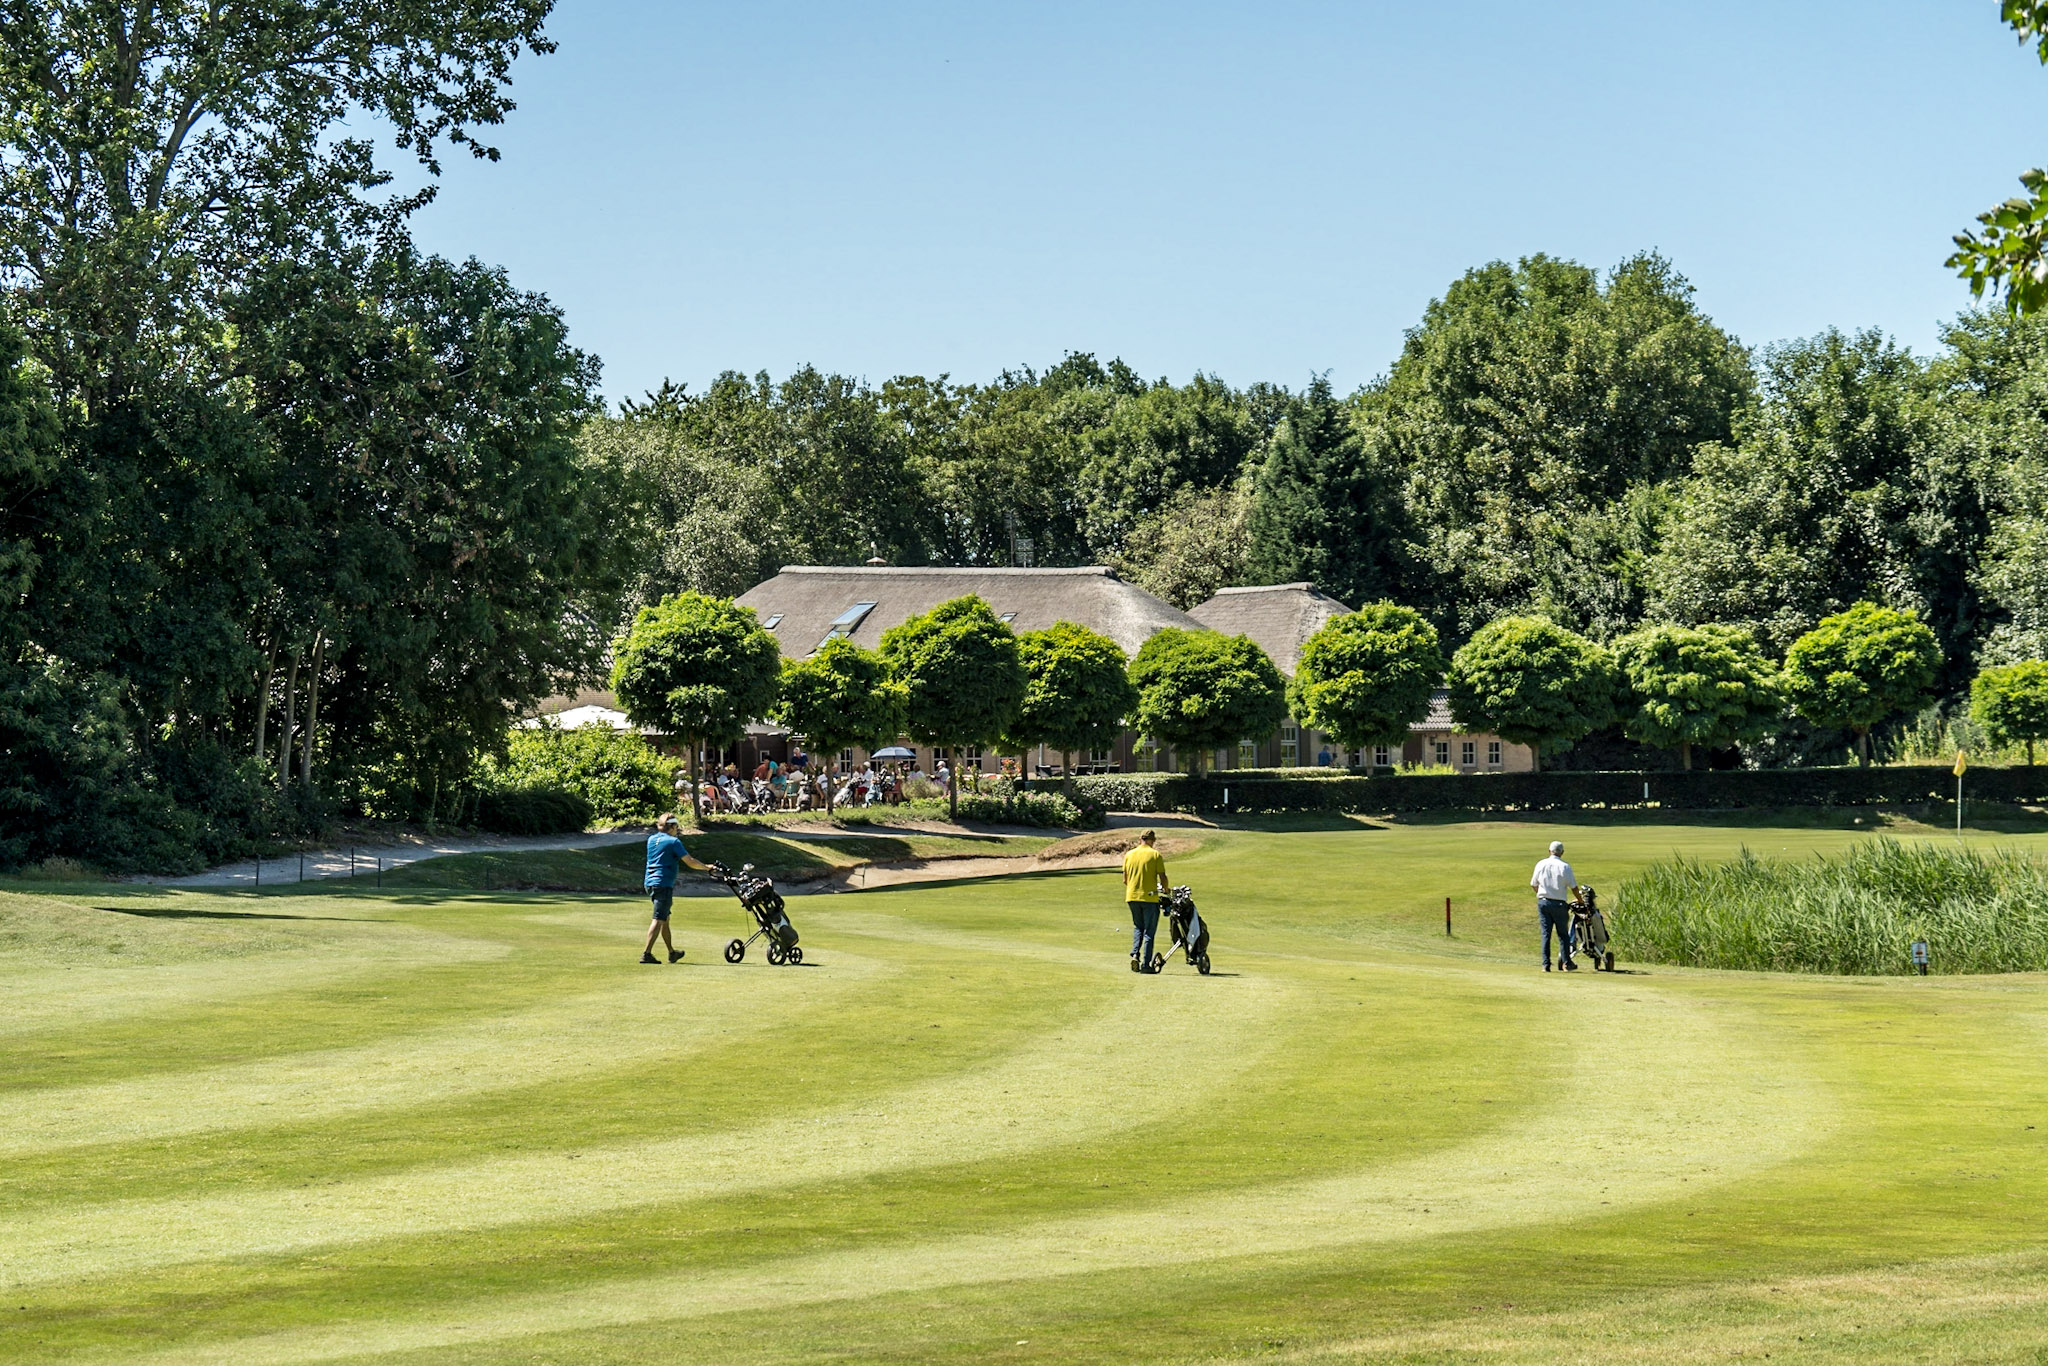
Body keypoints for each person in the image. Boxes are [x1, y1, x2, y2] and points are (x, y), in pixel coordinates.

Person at [642, 813, 712, 964]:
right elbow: (690, 861)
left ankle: (671, 953)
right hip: (663, 883)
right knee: (658, 918)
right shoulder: (674, 842)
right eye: (676, 827)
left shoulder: (651, 839)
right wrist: (707, 868)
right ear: (672, 827)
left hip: (650, 882)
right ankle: (646, 954)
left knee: (665, 918)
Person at [1122, 830, 1169, 973]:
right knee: (1149, 931)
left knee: (1138, 927)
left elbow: (1125, 880)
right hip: (1149, 898)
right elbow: (1162, 877)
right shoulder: (1155, 854)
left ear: (1140, 839)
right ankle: (1146, 964)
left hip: (1132, 897)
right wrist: (1166, 890)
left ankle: (1135, 954)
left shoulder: (1129, 855)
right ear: (1152, 840)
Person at [1531, 839, 1579, 972]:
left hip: (1543, 902)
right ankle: (1566, 963)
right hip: (1559, 903)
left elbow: (1534, 884)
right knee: (1563, 934)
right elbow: (1574, 887)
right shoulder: (1565, 866)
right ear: (1562, 852)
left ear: (1549, 851)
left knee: (1546, 934)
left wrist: (1541, 894)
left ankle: (1545, 965)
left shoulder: (1541, 864)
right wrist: (1579, 900)